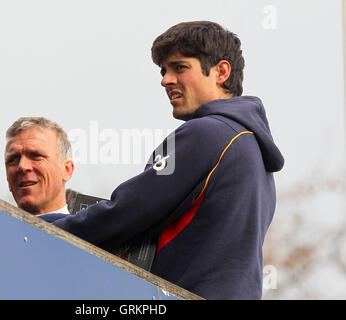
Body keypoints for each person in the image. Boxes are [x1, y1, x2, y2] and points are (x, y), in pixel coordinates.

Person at [53, 21, 284, 299]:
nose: (166, 79)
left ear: (222, 71)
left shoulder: (209, 133)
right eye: (163, 71)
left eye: (180, 67)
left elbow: (129, 211)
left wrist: (45, 229)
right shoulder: (254, 151)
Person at [5, 117, 75, 222]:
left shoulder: (95, 235)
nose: (22, 166)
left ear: (67, 170)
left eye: (36, 156)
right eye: (13, 159)